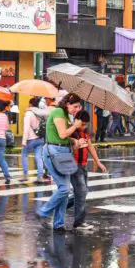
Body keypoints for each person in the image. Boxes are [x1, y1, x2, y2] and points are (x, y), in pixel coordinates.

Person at [36, 93, 83, 233]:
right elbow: (62, 134)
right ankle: (43, 212)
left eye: (78, 107)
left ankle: (59, 223)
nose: (77, 109)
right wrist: (75, 126)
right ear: (67, 103)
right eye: (75, 106)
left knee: (63, 189)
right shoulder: (57, 111)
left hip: (63, 152)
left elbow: (62, 137)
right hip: (54, 152)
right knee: (64, 188)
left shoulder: (64, 115)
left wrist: (75, 141)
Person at [71, 110, 107, 231]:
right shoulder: (72, 132)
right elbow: (70, 150)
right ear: (76, 121)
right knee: (81, 192)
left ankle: (57, 208)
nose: (84, 127)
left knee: (82, 192)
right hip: (74, 166)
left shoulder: (85, 132)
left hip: (83, 165)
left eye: (86, 124)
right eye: (82, 124)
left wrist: (98, 162)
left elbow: (90, 146)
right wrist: (76, 145)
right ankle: (79, 222)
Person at [22, 97, 48, 184]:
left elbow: (26, 127)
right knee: (38, 157)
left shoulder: (28, 114)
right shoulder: (40, 113)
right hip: (40, 138)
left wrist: (24, 140)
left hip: (30, 139)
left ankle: (25, 176)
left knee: (24, 155)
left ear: (30, 104)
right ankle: (40, 176)